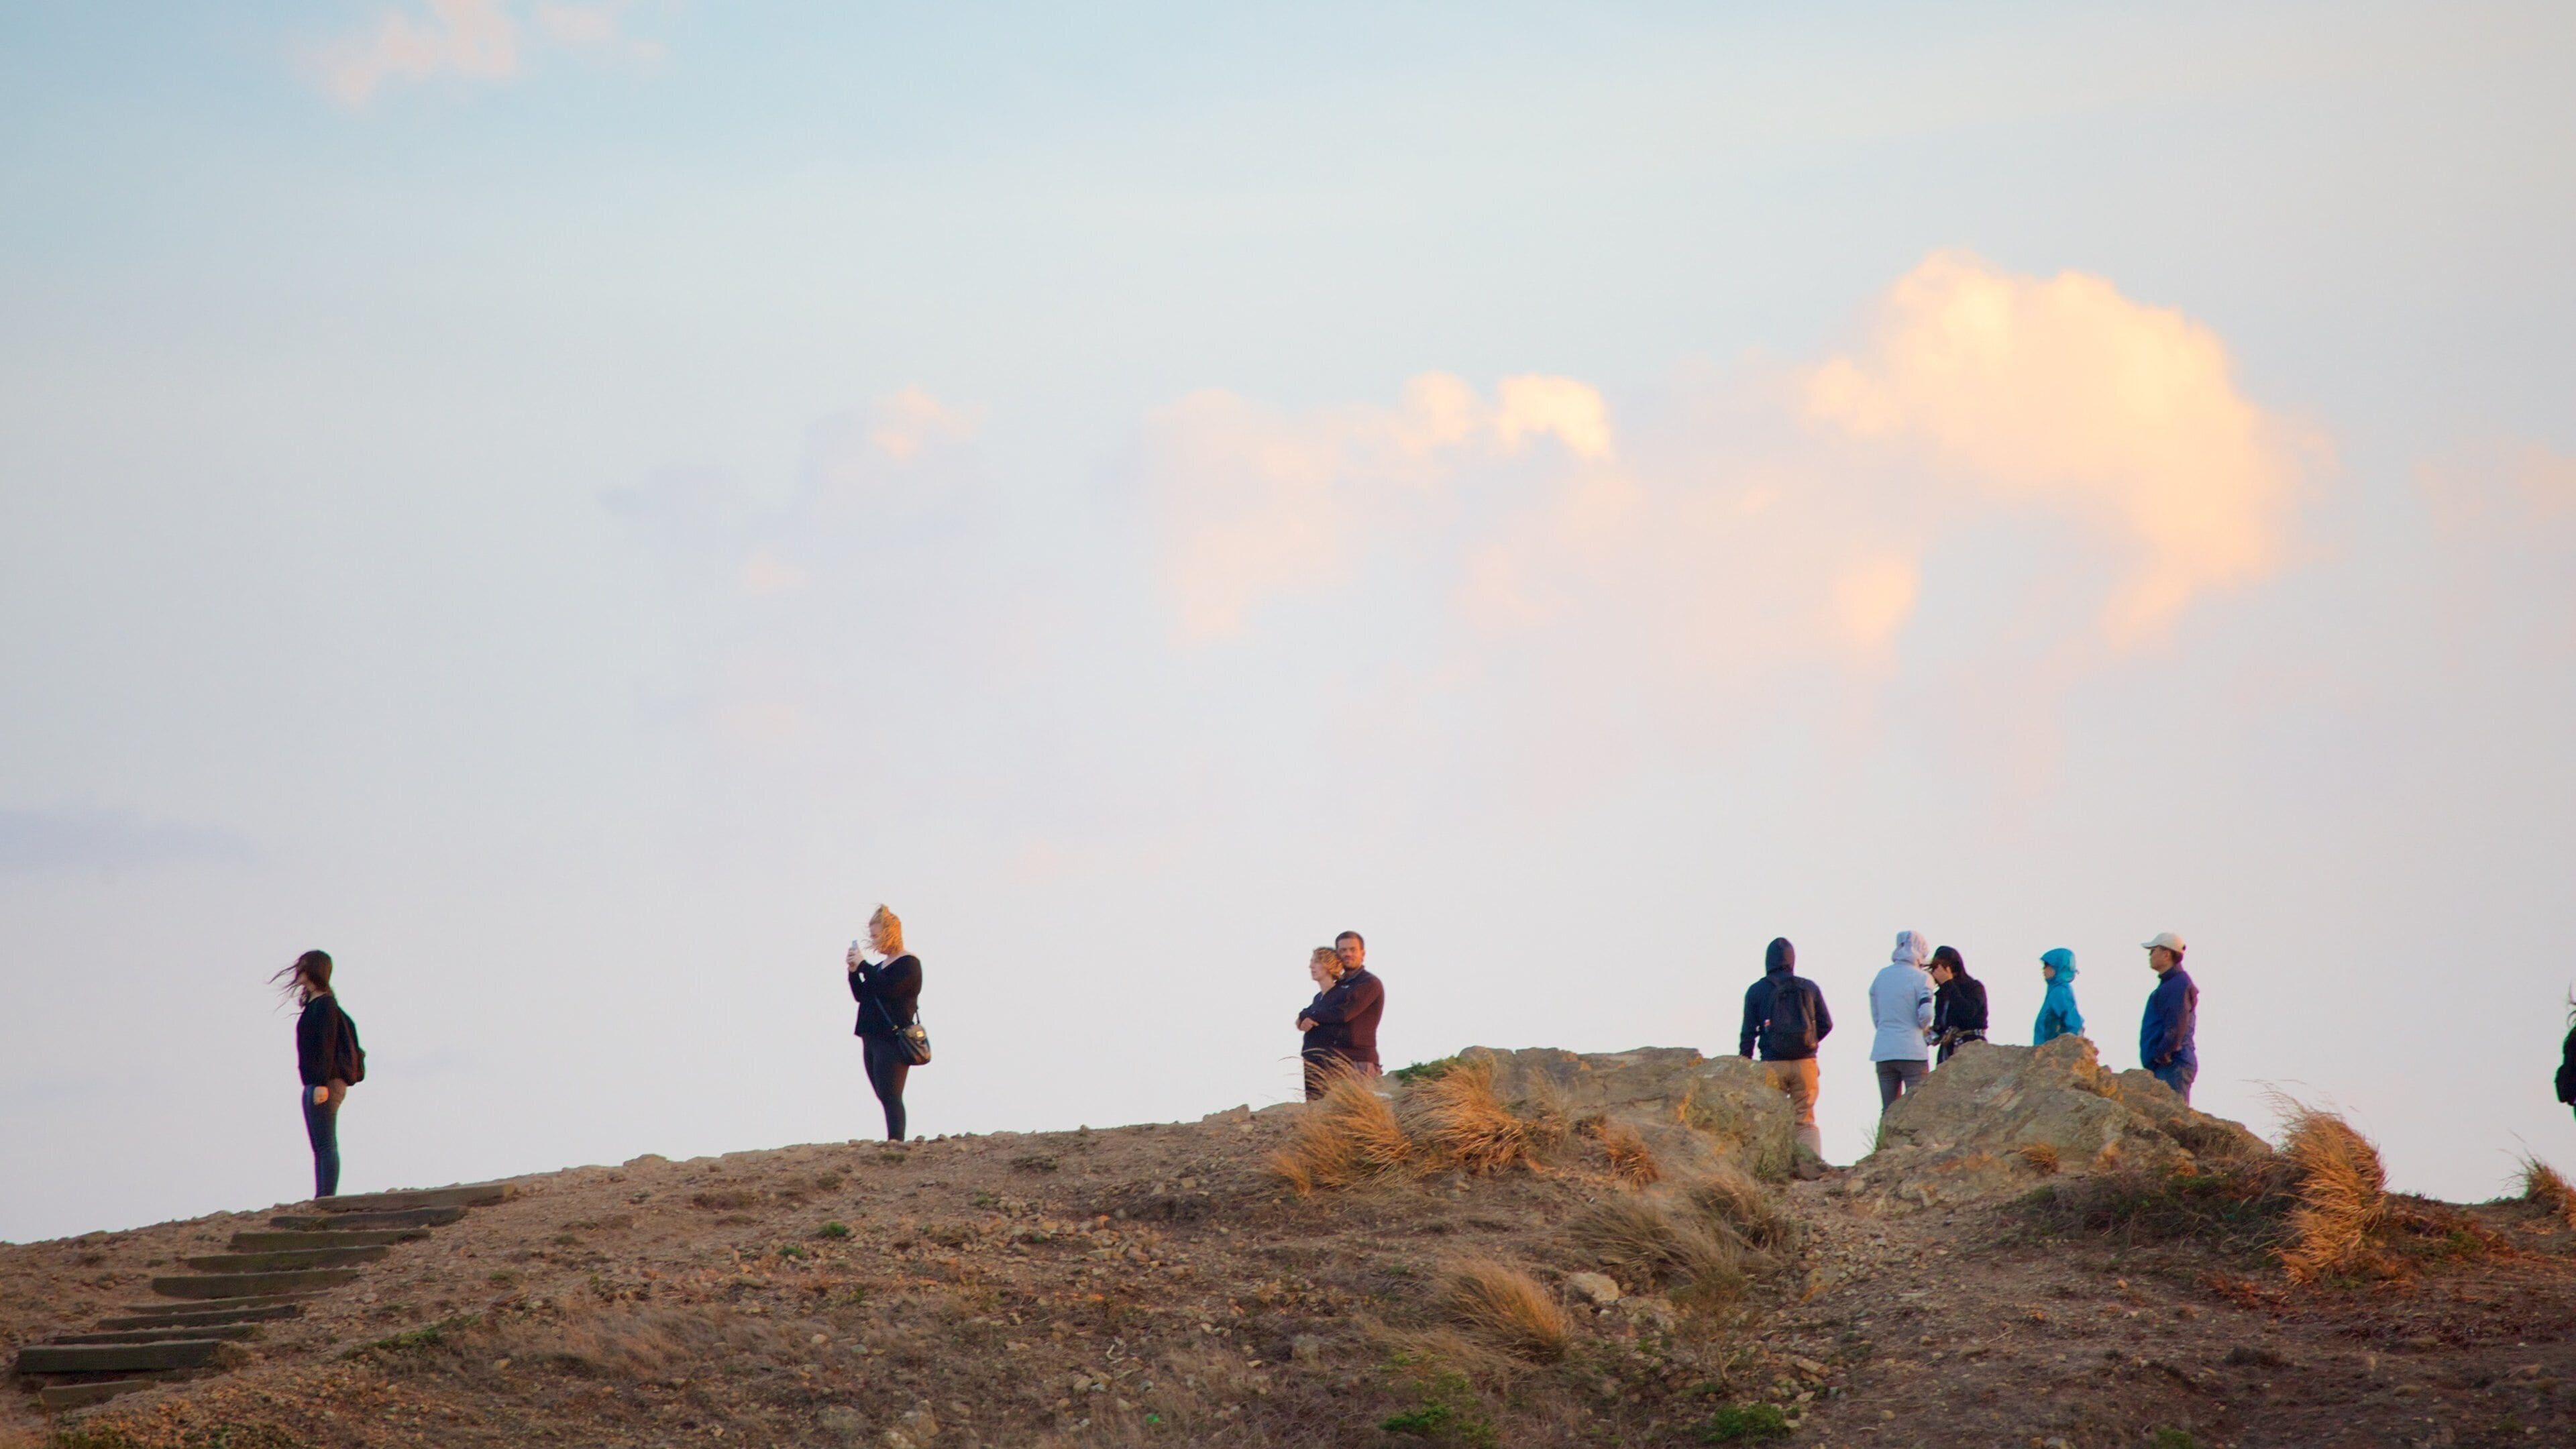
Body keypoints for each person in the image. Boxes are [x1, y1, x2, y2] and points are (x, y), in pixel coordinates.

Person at [271, 950, 362, 1200]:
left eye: (302, 966)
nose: (297, 971)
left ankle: (326, 1198)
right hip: (314, 1083)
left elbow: (325, 1046)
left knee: (326, 1144)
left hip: (325, 1083)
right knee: (319, 1146)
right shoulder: (314, 1005)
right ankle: (321, 1196)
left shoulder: (326, 1005)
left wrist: (321, 1084)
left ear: (314, 970)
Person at [1738, 936, 1832, 1158]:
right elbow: (1827, 1023)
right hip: (1805, 1063)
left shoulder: (1756, 991)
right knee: (1805, 1119)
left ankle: (1775, 1168)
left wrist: (1745, 1065)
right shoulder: (1809, 987)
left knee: (1771, 1118)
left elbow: (1748, 1034)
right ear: (1792, 960)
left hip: (1772, 1064)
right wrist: (1810, 1043)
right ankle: (1811, 1167)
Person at [845, 905, 922, 1142]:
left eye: (877, 935)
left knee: (891, 1094)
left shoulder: (908, 964)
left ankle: (896, 1144)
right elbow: (863, 995)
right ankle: (894, 1141)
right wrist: (853, 972)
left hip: (892, 1037)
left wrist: (865, 967)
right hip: (871, 1036)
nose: (873, 940)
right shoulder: (880, 967)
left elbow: (890, 989)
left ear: (890, 933)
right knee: (882, 1093)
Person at [1298, 930, 1385, 1079]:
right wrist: (1304, 1016)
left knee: (1358, 1102)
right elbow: (1321, 1010)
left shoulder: (1369, 983)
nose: (1348, 954)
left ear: (1362, 953)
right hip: (1333, 1062)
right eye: (1343, 950)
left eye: (1353, 950)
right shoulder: (1336, 987)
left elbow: (1343, 1014)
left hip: (1359, 1061)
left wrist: (1310, 1015)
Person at [1869, 932, 1936, 1108]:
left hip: (1884, 1049)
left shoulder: (1881, 976)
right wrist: (1923, 1027)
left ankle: (1886, 1136)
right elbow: (1926, 1014)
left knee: (1888, 1109)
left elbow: (1877, 1016)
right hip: (1912, 1050)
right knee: (1917, 1109)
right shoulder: (1924, 979)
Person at [2139, 931, 2199, 1103]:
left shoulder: (2176, 985)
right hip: (2168, 1065)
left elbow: (2177, 1024)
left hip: (2172, 1065)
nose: (2150, 954)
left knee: (2173, 1120)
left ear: (2166, 954)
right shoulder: (2173, 984)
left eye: (2153, 950)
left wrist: (2162, 1053)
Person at [1297, 947, 1351, 1099]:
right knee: (1314, 1104)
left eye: (1316, 962)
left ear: (1328, 965)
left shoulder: (1341, 994)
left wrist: (1311, 1016)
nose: (1311, 966)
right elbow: (1301, 1018)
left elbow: (1339, 1016)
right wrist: (1304, 1018)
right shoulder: (1318, 998)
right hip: (1312, 1059)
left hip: (1330, 1060)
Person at [1928, 945, 1988, 1065]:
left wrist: (1948, 984)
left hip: (1972, 1048)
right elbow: (1940, 1025)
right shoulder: (1942, 994)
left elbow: (1968, 1012)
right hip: (1947, 1050)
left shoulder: (1974, 987)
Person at [2033, 948, 2085, 1044]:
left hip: (2053, 1055)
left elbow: (2072, 1022)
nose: (2044, 969)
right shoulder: (2055, 991)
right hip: (2046, 1054)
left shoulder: (2060, 992)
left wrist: (2069, 1049)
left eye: (2047, 965)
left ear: (2058, 967)